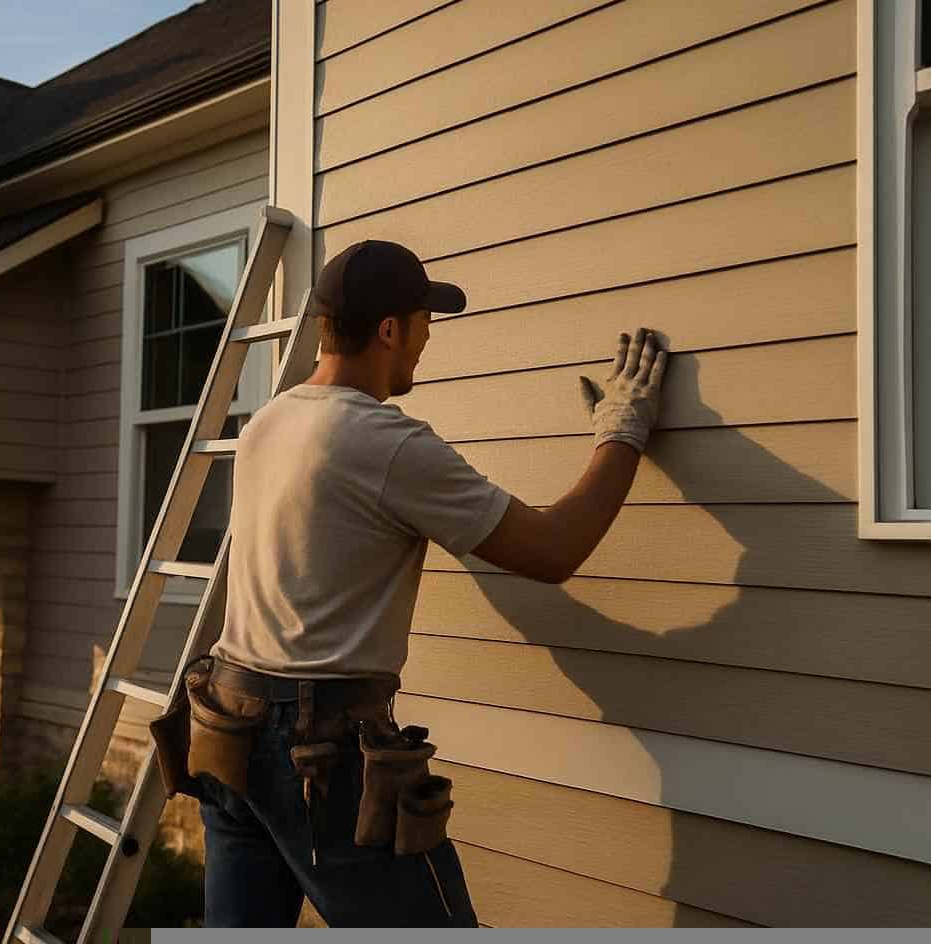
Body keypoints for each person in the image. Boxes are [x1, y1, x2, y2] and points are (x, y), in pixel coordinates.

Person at [191, 238, 668, 927]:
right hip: (316, 754)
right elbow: (555, 549)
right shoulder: (386, 443)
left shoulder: (269, 421)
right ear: (390, 330)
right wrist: (622, 432)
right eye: (423, 324)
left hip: (229, 729)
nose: (424, 343)